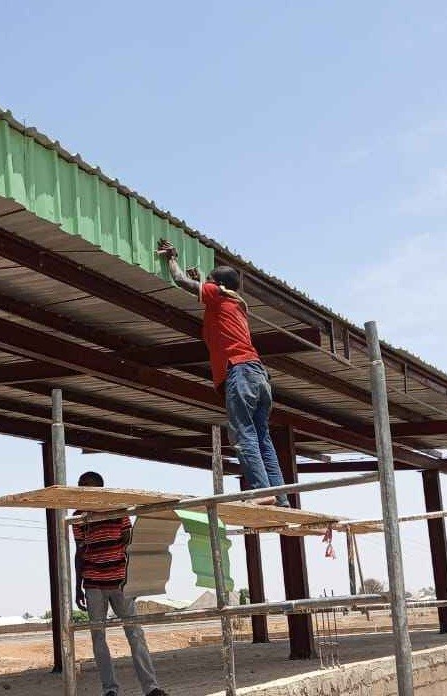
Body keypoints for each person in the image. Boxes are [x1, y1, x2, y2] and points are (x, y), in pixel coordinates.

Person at [156, 239, 290, 507]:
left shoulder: (219, 296)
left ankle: (262, 493)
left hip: (239, 370)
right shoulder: (235, 305)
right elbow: (208, 298)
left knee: (244, 435)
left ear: (218, 286)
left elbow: (182, 282)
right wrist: (203, 280)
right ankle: (280, 496)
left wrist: (172, 258)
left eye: (208, 281)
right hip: (258, 374)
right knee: (262, 436)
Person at [73, 471, 168, 696]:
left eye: (87, 486)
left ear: (100, 489)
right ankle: (110, 690)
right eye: (80, 486)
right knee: (98, 637)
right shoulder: (77, 517)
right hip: (94, 584)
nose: (83, 490)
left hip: (120, 583)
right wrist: (78, 585)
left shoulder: (119, 512)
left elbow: (130, 545)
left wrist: (134, 580)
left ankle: (152, 688)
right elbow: (79, 552)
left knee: (135, 634)